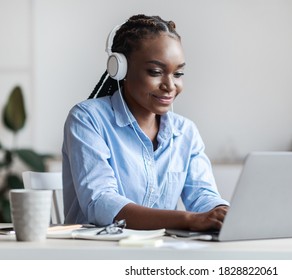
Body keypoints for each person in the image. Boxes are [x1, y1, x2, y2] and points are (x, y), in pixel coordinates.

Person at [62, 14, 229, 231]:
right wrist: (188, 220)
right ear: (120, 69)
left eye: (178, 73)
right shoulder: (87, 119)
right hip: (96, 253)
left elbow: (202, 196)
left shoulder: (185, 132)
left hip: (158, 254)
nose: (170, 85)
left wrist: (223, 213)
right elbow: (101, 203)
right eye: (156, 72)